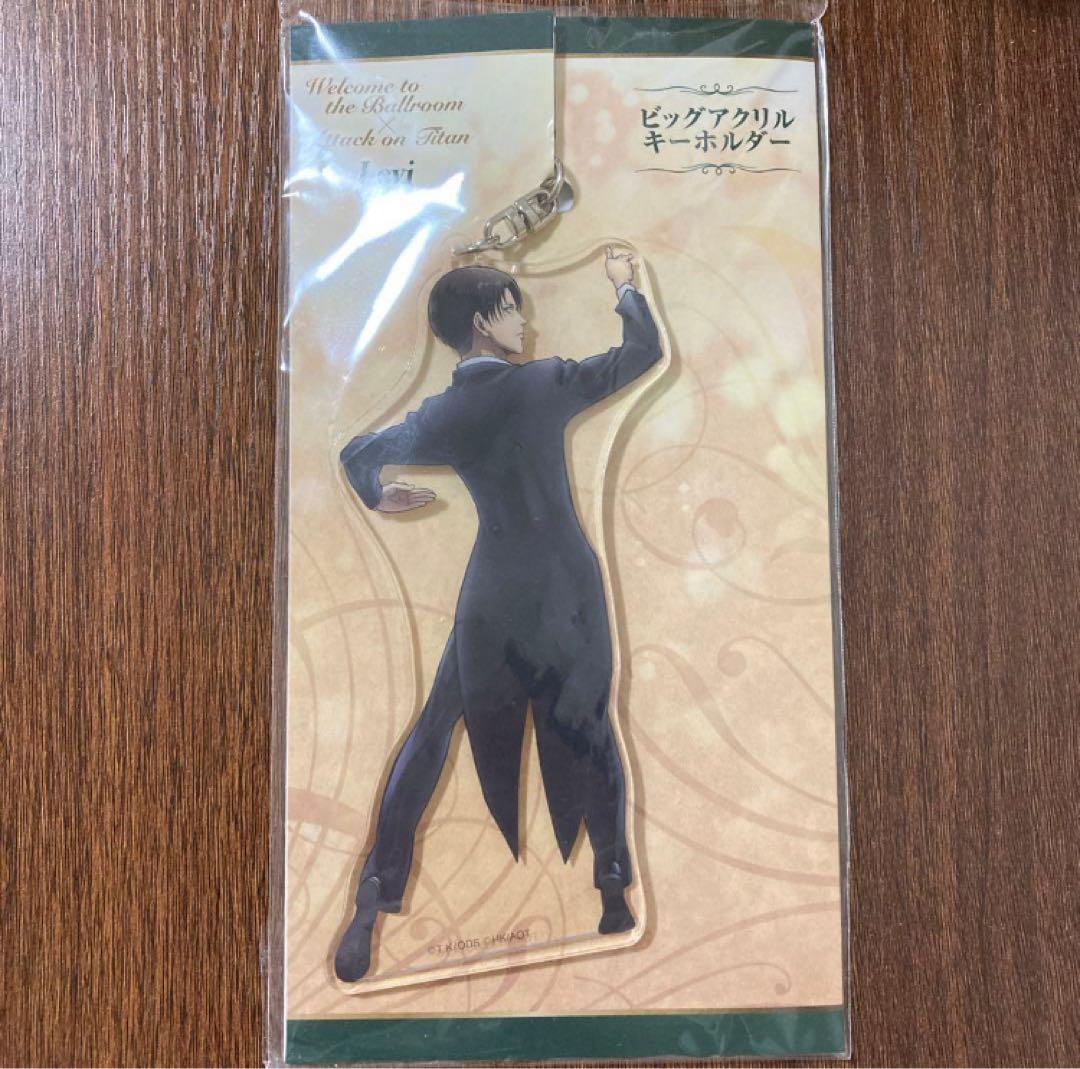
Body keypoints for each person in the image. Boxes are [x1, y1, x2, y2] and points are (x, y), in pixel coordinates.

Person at [334, 249, 662, 982]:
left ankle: (371, 898)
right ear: (484, 320)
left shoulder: (440, 415)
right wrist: (623, 285)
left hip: (493, 593)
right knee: (591, 723)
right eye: (513, 308)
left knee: (433, 729)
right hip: (566, 587)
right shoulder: (545, 383)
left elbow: (358, 453)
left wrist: (380, 495)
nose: (526, 322)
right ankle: (613, 890)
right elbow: (643, 352)